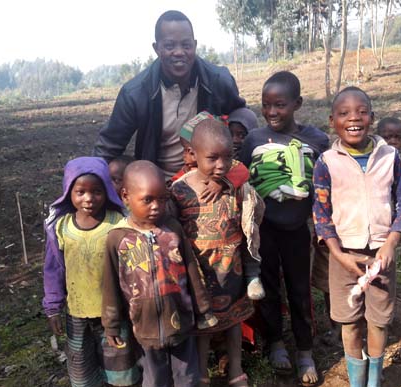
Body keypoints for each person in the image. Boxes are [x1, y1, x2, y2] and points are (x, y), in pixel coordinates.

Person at [312, 86, 401, 387]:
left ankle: (374, 380)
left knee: (379, 320)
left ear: (372, 117)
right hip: (343, 255)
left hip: (380, 255)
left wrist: (391, 243)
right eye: (344, 113)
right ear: (332, 120)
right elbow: (320, 212)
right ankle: (357, 381)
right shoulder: (327, 162)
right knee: (348, 321)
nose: (353, 118)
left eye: (361, 112)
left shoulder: (390, 156)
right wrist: (338, 253)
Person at [239, 71, 329, 385]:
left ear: (297, 103)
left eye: (280, 105)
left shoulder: (316, 140)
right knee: (268, 289)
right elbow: (240, 179)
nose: (272, 112)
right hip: (264, 231)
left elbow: (327, 183)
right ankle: (275, 341)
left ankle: (305, 350)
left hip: (298, 230)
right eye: (266, 105)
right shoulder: (253, 140)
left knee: (300, 290)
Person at [102, 160, 218, 387]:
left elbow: (192, 270)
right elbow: (110, 285)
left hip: (181, 321)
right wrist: (111, 325)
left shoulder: (172, 229)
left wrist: (203, 309)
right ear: (126, 196)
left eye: (162, 199)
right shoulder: (117, 239)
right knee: (154, 380)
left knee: (187, 378)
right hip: (143, 326)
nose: (157, 206)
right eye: (148, 199)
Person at [92, 10, 245, 179]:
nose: (179, 52)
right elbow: (109, 146)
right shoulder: (136, 92)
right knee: (115, 169)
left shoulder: (218, 80)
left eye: (186, 45)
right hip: (158, 183)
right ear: (156, 48)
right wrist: (87, 180)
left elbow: (241, 117)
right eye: (169, 46)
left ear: (194, 45)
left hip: (209, 177)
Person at [171, 120, 265, 387]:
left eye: (227, 157)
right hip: (200, 272)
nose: (221, 165)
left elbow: (252, 214)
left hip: (231, 269)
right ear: (193, 154)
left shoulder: (233, 184)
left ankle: (235, 370)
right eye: (212, 158)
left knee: (233, 321)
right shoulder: (180, 189)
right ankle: (201, 374)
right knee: (202, 325)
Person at [42, 156, 140, 387]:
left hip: (115, 312)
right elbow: (53, 269)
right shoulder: (62, 227)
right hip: (77, 313)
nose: (88, 198)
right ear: (69, 192)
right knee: (82, 370)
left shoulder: (118, 223)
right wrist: (53, 307)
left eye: (96, 191)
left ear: (107, 190)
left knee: (121, 371)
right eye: (80, 192)